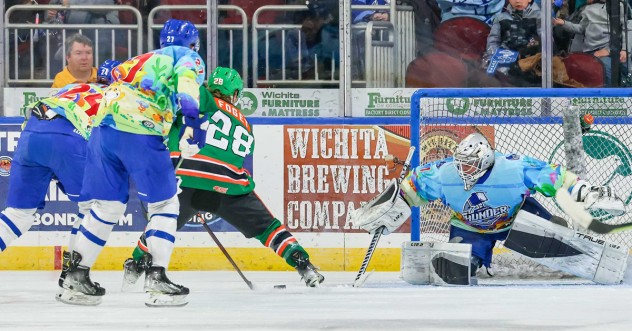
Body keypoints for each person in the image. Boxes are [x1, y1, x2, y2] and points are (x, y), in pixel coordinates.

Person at [122, 67, 325, 288]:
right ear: (235, 94)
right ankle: (304, 265)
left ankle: (136, 264)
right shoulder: (246, 124)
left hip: (187, 178)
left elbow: (179, 98)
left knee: (160, 224)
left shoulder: (200, 98)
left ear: (210, 87)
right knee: (268, 228)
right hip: (229, 186)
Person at [58, 19, 205, 307]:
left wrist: (111, 67)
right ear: (193, 44)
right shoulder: (188, 57)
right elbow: (188, 85)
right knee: (165, 204)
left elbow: (107, 72)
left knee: (107, 206)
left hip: (102, 132)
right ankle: (158, 279)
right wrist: (193, 124)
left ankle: (76, 278)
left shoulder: (140, 59)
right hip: (140, 131)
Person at [352, 132, 624, 283]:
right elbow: (411, 190)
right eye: (460, 163)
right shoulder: (444, 173)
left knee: (554, 234)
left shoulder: (514, 167)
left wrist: (587, 192)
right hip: (470, 227)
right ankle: (474, 257)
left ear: (484, 161)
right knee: (456, 271)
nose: (462, 170)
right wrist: (391, 208)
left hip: (518, 215)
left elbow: (555, 178)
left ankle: (562, 240)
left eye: (469, 164)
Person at [0, 60, 118, 263]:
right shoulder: (118, 97)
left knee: (18, 215)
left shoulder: (72, 86)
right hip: (67, 140)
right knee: (92, 208)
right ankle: (74, 276)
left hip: (30, 135)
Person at [553, 0, 631, 86]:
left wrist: (617, 50)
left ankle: (610, 97)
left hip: (608, 51)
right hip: (590, 51)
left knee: (607, 70)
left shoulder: (618, 6)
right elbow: (582, 28)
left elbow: (626, 30)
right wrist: (563, 23)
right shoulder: (587, 9)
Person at [483, 0, 541, 71]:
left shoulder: (540, 18)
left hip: (530, 60)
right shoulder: (501, 18)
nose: (517, 1)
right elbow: (493, 41)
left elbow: (546, 41)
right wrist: (496, 56)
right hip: (505, 60)